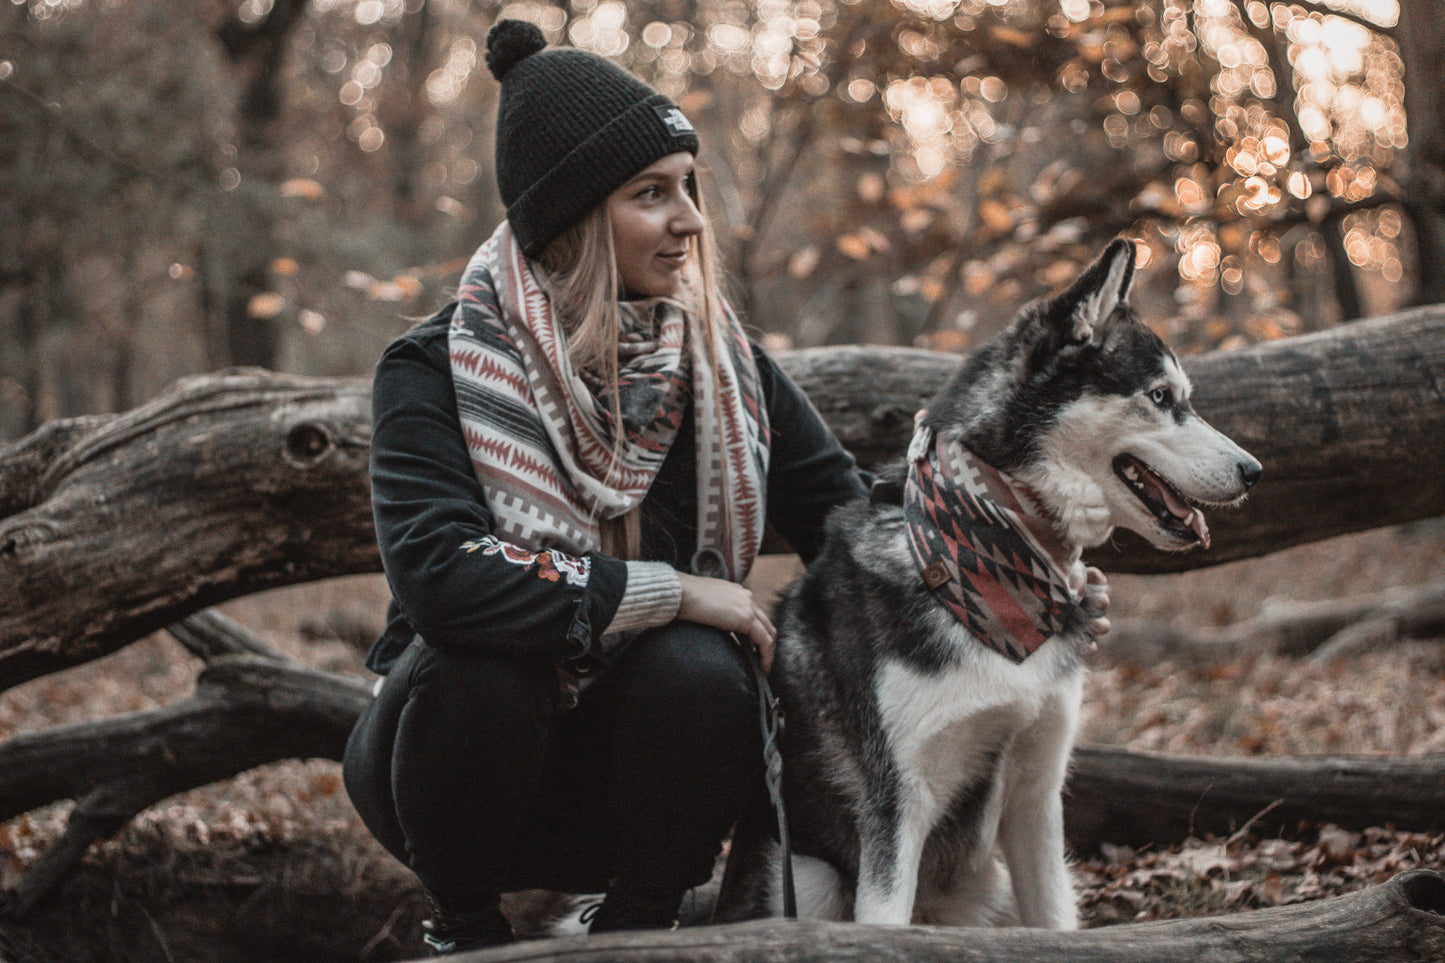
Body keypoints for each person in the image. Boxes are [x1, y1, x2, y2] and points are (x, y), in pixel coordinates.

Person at [342, 19, 871, 955]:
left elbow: (852, 518)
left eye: (688, 189)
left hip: (658, 782)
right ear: (576, 216)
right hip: (458, 772)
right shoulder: (434, 367)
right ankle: (464, 934)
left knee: (700, 668)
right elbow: (440, 574)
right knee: (480, 660)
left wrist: (1017, 568)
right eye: (651, 194)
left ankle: (635, 933)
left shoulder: (724, 367)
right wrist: (671, 591)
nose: (691, 221)